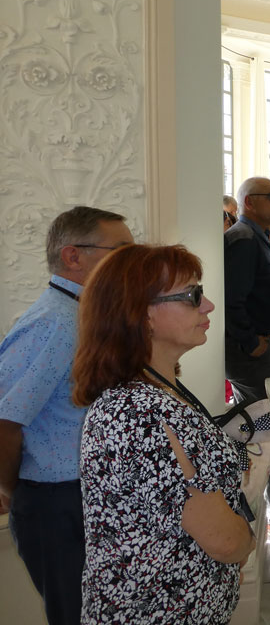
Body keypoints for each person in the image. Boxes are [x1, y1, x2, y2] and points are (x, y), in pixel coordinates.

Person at [73, 244, 254, 624]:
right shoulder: (140, 413)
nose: (208, 306)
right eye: (192, 295)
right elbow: (223, 541)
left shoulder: (157, 392)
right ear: (142, 315)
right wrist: (246, 540)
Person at [0, 206, 131, 625]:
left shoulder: (81, 314)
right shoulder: (53, 322)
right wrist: (11, 490)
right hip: (56, 502)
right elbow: (5, 420)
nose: (130, 264)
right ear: (73, 256)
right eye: (120, 251)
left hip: (81, 496)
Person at [223, 177, 270, 549]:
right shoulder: (242, 239)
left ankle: (264, 505)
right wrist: (250, 340)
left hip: (256, 348)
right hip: (247, 352)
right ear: (249, 202)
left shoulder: (254, 236)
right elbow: (231, 298)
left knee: (263, 426)